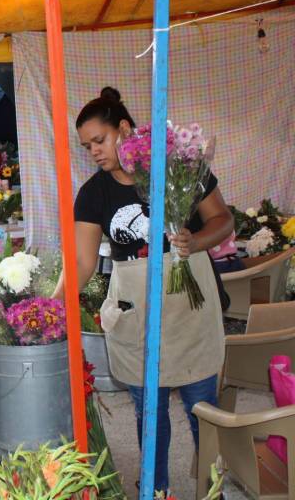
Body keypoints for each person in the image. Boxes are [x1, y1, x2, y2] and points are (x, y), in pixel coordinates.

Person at [52, 87, 233, 494]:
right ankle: (156, 487)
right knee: (149, 413)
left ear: (125, 129)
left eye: (99, 140)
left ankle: (213, 487)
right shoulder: (93, 194)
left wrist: (195, 241)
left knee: (201, 409)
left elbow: (223, 219)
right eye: (87, 146)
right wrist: (52, 308)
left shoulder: (178, 168)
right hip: (137, 316)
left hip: (191, 308)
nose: (94, 152)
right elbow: (81, 263)